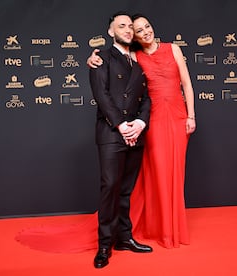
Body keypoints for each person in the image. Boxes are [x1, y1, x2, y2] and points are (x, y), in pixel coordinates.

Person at [88, 13, 196, 248]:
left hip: (176, 117)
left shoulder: (172, 49)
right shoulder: (134, 57)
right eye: (138, 30)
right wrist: (92, 59)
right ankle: (155, 231)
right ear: (132, 36)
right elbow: (112, 83)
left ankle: (170, 229)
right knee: (153, 175)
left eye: (147, 26)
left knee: (176, 173)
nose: (145, 31)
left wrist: (191, 115)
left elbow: (186, 83)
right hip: (152, 121)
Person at [89, 11, 152, 269]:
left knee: (126, 189)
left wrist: (140, 122)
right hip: (112, 132)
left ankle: (124, 238)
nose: (127, 30)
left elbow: (146, 98)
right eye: (122, 26)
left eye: (130, 27)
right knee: (110, 188)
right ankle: (105, 245)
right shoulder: (100, 58)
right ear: (110, 31)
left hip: (135, 134)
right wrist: (121, 124)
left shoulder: (139, 63)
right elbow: (101, 95)